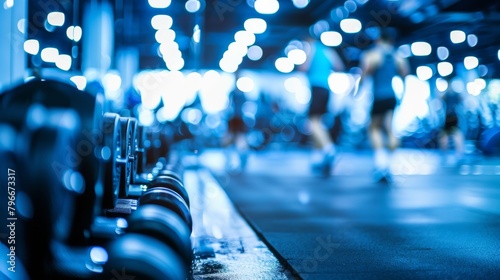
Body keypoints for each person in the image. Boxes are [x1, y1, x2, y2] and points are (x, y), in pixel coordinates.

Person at [358, 28, 410, 183]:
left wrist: (356, 90)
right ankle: (388, 165)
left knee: (373, 128)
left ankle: (381, 163)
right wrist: (402, 96)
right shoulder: (398, 57)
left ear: (378, 39)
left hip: (379, 97)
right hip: (392, 97)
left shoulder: (372, 55)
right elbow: (405, 77)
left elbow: (364, 74)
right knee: (389, 129)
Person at [300, 34, 345, 176]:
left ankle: (329, 149)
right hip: (327, 89)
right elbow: (339, 66)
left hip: (317, 88)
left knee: (312, 122)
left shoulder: (311, 48)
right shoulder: (328, 50)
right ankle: (318, 157)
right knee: (318, 123)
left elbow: (303, 67)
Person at [225, 72, 249, 172]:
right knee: (231, 139)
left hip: (238, 118)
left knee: (240, 139)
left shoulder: (241, 94)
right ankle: (230, 162)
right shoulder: (233, 93)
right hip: (234, 118)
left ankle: (241, 162)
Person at [438, 77, 465, 165]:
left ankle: (449, 153)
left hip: (449, 116)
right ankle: (457, 153)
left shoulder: (447, 94)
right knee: (452, 134)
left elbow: (440, 99)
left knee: (449, 134)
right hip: (452, 116)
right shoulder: (455, 94)